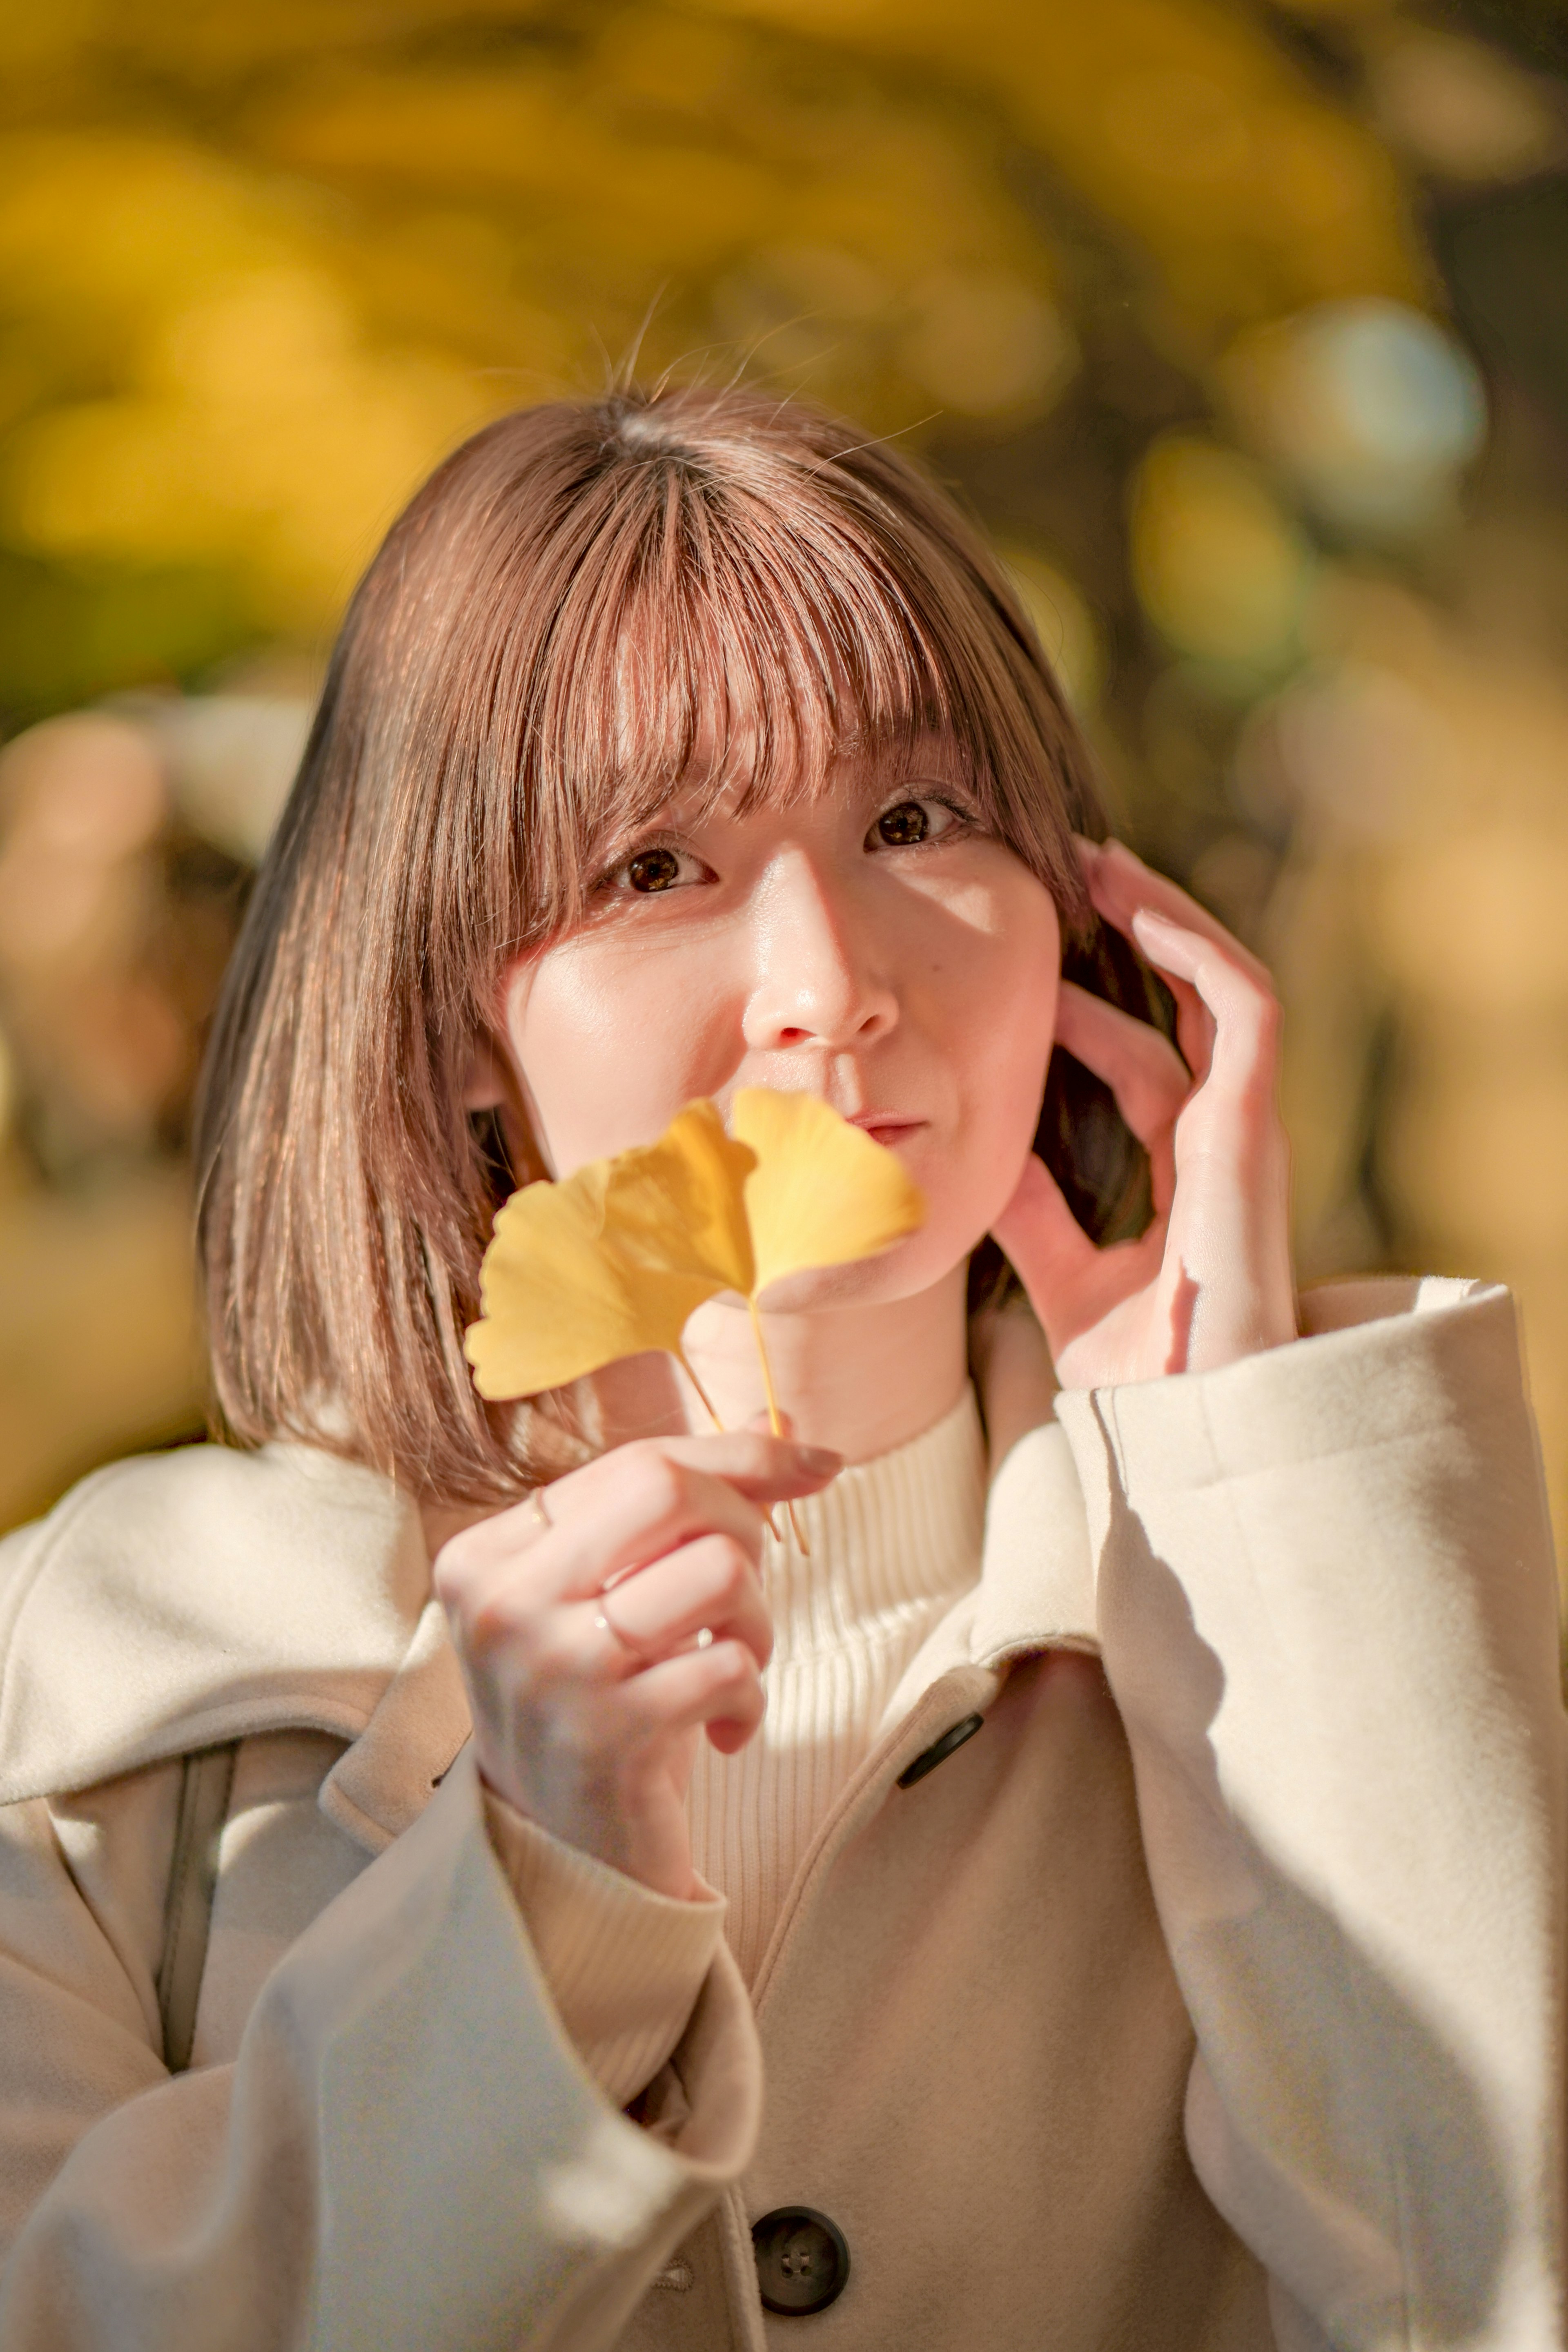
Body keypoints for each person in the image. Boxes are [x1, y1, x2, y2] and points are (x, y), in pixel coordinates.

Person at [0, 384, 1561, 2352]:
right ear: (452, 1008)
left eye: (915, 821)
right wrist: (539, 1914)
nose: (831, 987)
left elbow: (1487, 2288)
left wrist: (1267, 1496)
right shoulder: (98, 1690)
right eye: (656, 866)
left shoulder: (1304, 1629)